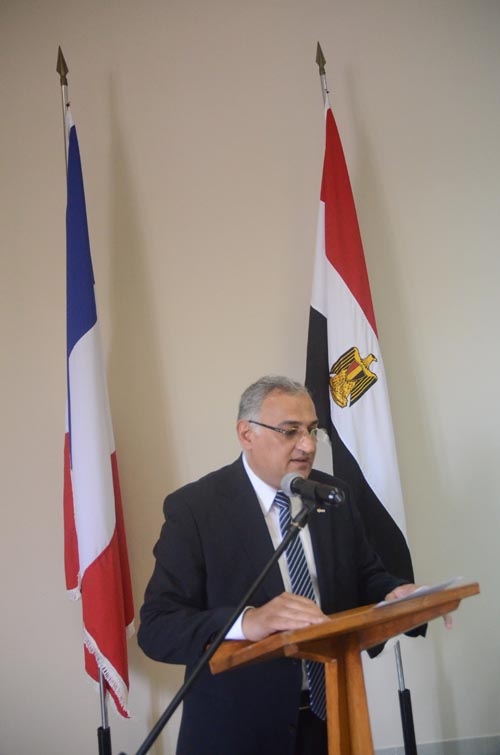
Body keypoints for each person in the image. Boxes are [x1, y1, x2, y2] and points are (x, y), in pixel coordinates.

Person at [138, 376, 417, 755]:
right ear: (246, 434)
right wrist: (247, 622)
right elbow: (158, 627)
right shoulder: (196, 509)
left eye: (312, 430)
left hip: (331, 718)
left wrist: (394, 593)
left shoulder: (333, 495)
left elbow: (365, 575)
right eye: (290, 431)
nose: (307, 445)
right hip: (237, 732)